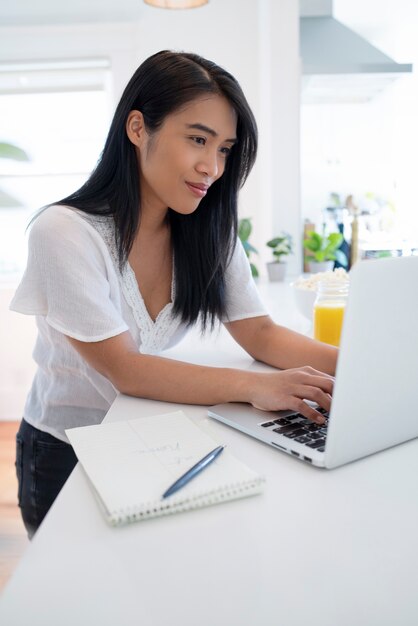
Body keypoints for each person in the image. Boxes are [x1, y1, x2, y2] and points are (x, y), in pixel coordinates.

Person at [10, 50, 337, 538]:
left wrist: (364, 369)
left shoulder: (207, 231)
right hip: (67, 452)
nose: (213, 166)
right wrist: (256, 387)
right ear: (138, 128)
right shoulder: (64, 232)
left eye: (225, 148)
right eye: (198, 139)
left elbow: (262, 333)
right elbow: (127, 369)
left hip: (154, 440)